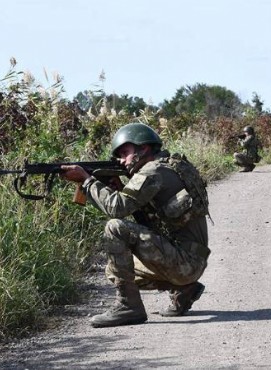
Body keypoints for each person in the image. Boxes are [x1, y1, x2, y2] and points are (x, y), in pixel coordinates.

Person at [60, 122, 210, 328]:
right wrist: (120, 188)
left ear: (143, 148)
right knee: (113, 270)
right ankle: (185, 289)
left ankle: (128, 307)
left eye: (124, 153)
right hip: (189, 261)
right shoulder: (169, 166)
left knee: (115, 227)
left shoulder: (152, 171)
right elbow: (154, 220)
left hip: (185, 263)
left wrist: (86, 181)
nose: (121, 161)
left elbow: (117, 209)